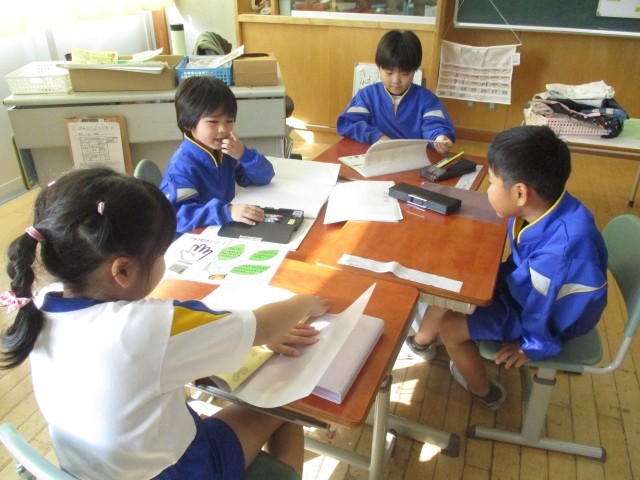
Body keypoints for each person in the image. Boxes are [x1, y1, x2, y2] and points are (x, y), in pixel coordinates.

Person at [0, 168, 329, 479]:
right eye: (160, 252)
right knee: (284, 404)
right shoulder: (148, 327)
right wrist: (305, 303)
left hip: (93, 468)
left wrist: (247, 337)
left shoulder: (39, 303)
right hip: (176, 471)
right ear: (123, 271)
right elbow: (261, 325)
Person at [406, 125, 608, 410]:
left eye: (491, 183)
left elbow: (546, 309)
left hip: (549, 318)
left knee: (451, 328)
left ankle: (484, 392)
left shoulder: (559, 255)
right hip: (526, 290)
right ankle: (422, 342)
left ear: (520, 193)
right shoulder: (543, 206)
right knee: (454, 286)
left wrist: (532, 346)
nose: (488, 190)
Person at [160, 76, 275, 235]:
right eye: (213, 122)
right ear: (188, 123)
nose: (223, 129)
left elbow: (264, 177)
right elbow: (179, 217)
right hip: (190, 239)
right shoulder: (180, 168)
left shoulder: (225, 150)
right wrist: (227, 211)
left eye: (229, 121)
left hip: (218, 229)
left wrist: (244, 155)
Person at [336, 29, 455, 153]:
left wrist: (439, 137)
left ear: (415, 70)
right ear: (379, 68)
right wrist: (377, 137)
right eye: (389, 73)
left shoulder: (427, 100)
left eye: (404, 73)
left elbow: (435, 125)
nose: (396, 80)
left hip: (412, 157)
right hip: (376, 156)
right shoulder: (366, 96)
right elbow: (349, 123)